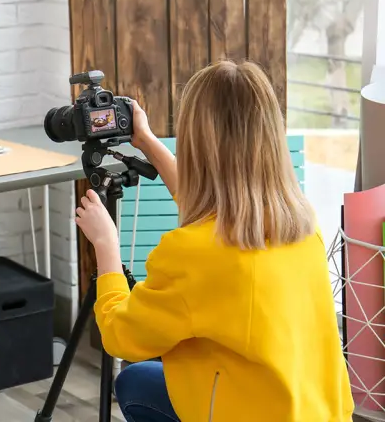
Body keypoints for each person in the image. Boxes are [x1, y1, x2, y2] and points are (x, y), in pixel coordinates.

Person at [75, 60, 353, 421]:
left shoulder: (193, 253)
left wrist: (106, 246)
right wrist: (145, 141)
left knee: (133, 381)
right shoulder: (300, 221)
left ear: (196, 144)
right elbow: (213, 207)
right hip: (320, 412)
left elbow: (119, 335)